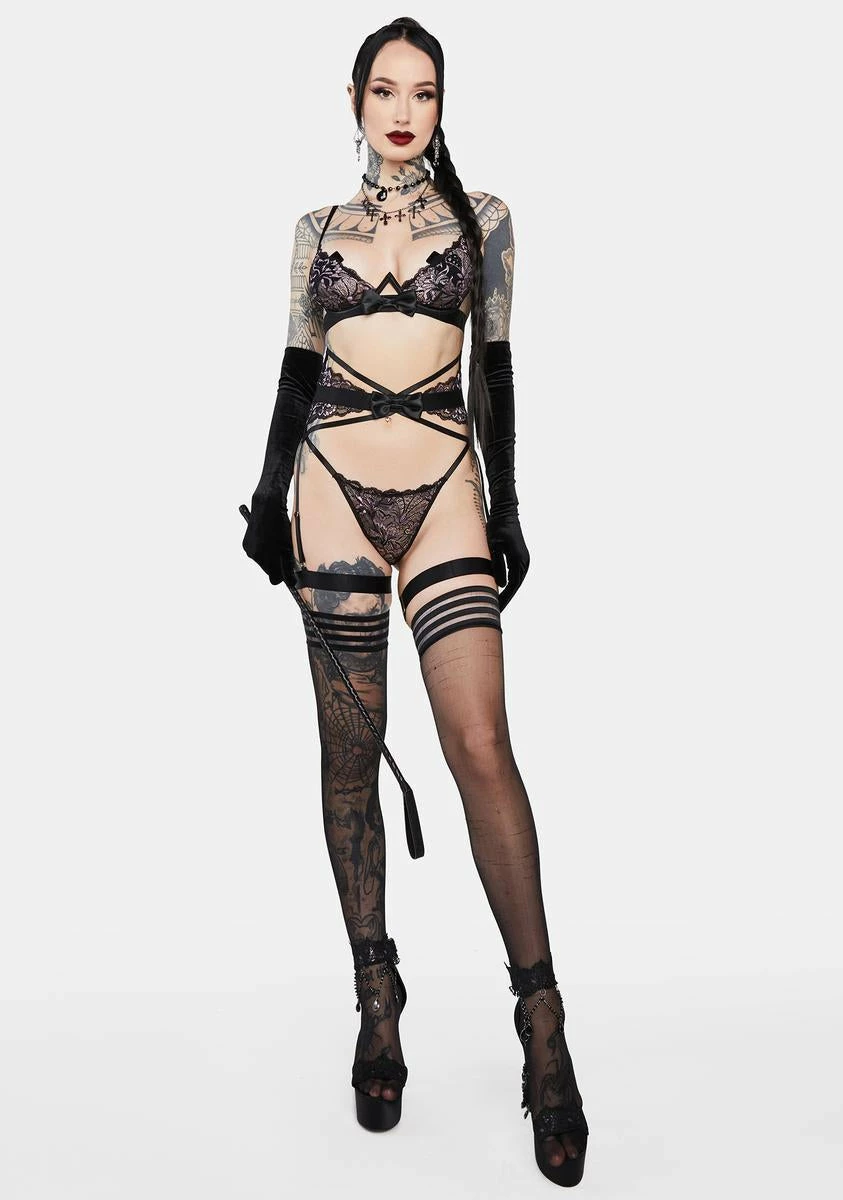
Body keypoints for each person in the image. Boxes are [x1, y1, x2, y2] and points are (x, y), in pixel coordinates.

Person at [241, 16, 589, 1187]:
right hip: (331, 485)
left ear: (443, 105)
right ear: (354, 100)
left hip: (443, 483)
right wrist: (265, 498)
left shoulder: (483, 220)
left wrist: (510, 507)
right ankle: (377, 999)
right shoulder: (315, 231)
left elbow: (495, 368)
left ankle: (544, 1026)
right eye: (384, 90)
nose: (403, 111)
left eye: (423, 92)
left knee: (480, 744)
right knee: (351, 755)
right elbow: (297, 366)